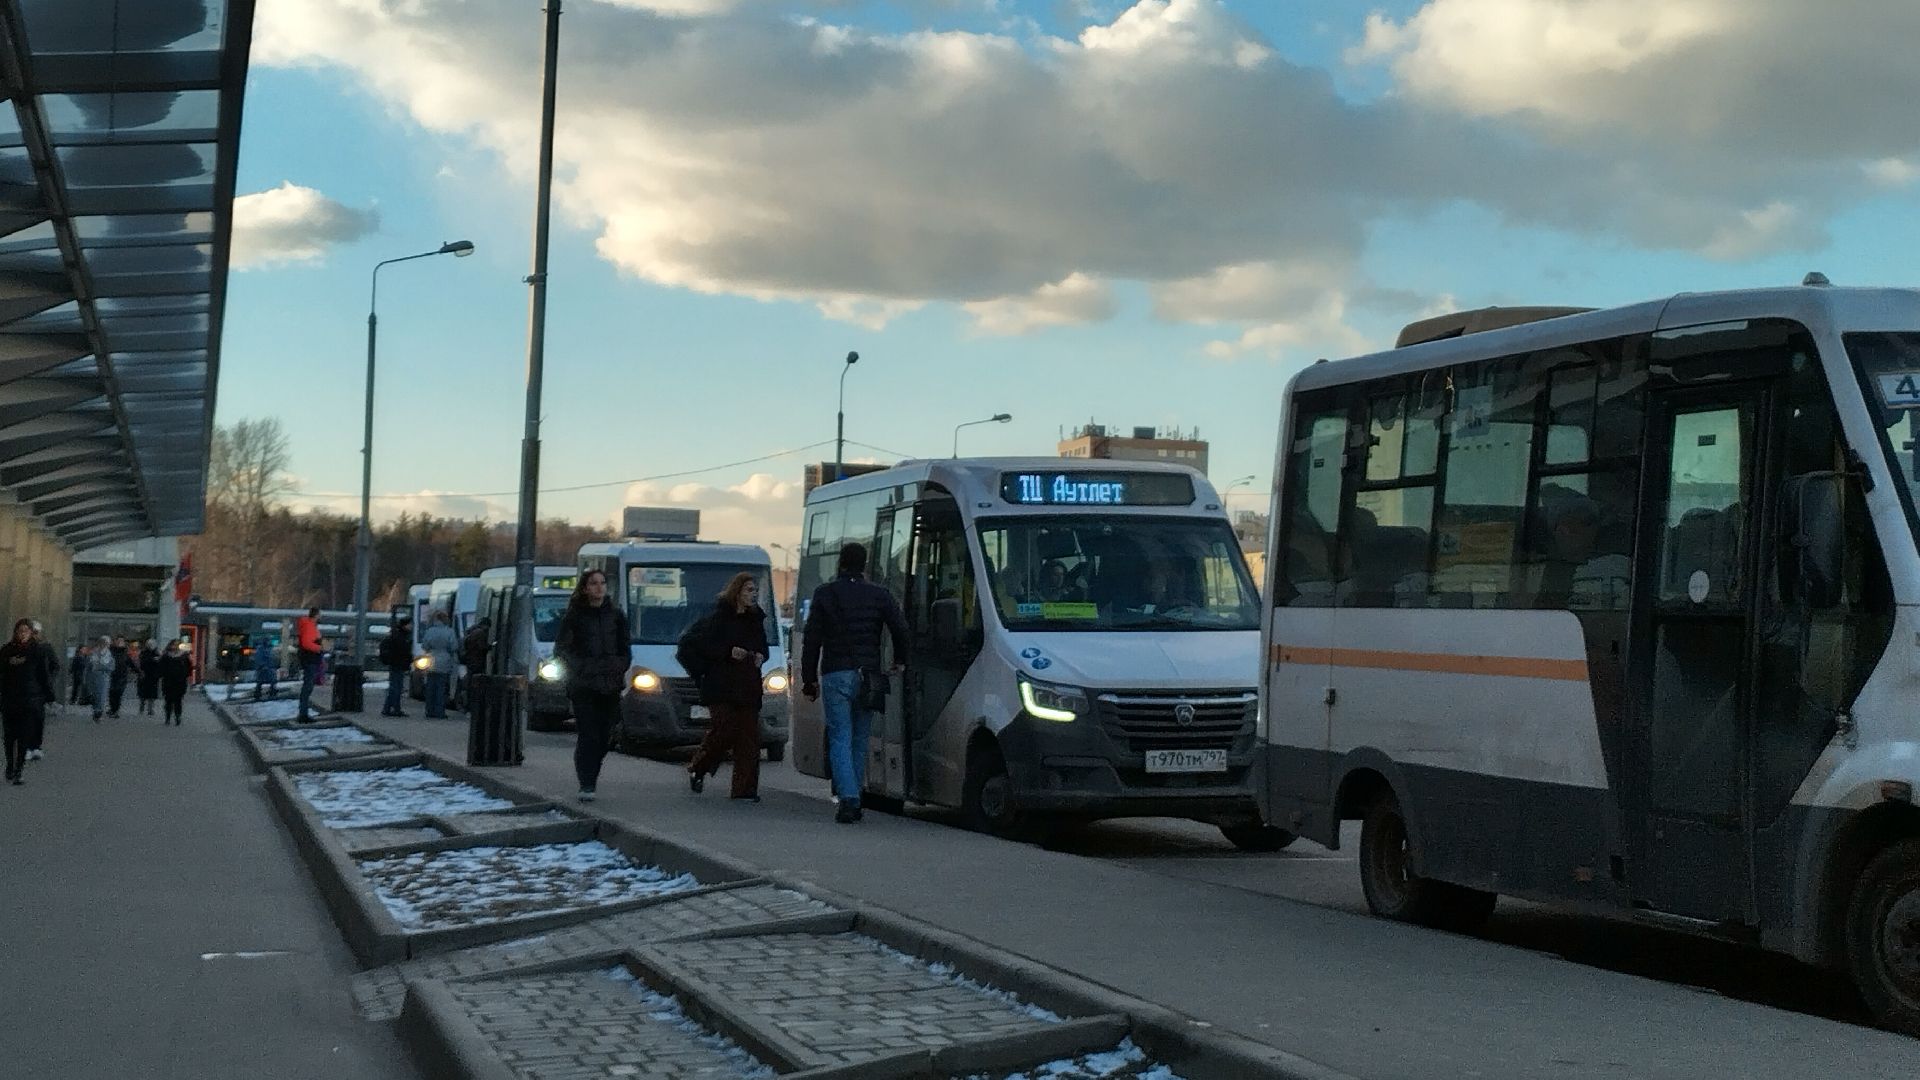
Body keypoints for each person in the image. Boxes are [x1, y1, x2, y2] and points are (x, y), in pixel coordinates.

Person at [801, 542, 909, 824]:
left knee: (839, 737)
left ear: (840, 563)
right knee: (860, 738)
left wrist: (808, 679)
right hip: (868, 676)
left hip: (835, 673)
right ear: (865, 564)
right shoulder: (879, 594)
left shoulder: (825, 594)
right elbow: (900, 627)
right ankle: (855, 794)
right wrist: (900, 660)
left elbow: (811, 639)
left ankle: (848, 799)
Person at [685, 572, 770, 802]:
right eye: (748, 590)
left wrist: (761, 655)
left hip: (747, 685)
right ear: (737, 592)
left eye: (755, 591)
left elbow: (763, 646)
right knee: (724, 729)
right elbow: (703, 647)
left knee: (749, 739)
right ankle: (698, 767)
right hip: (721, 685)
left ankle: (744, 790)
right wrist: (728, 652)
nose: (753, 595)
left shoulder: (756, 620)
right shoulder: (719, 617)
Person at [553, 569, 628, 802]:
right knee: (589, 734)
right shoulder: (574, 616)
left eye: (602, 583)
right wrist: (581, 668)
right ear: (585, 588)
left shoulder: (616, 616)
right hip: (584, 686)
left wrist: (618, 665)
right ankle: (587, 782)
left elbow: (625, 648)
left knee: (606, 734)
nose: (599, 587)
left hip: (610, 684)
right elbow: (562, 650)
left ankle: (591, 770)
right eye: (594, 583)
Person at [1, 619, 54, 784]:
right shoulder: (6, 651)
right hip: (9, 699)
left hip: (30, 699)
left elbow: (44, 675)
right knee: (10, 737)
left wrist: (49, 696)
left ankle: (19, 770)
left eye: (26, 631)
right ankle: (10, 765)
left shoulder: (37, 651)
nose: (22, 634)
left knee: (24, 737)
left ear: (31, 633)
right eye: (20, 631)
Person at [419, 611, 459, 720]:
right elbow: (454, 646)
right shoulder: (449, 631)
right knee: (441, 688)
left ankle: (429, 710)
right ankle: (439, 711)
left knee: (430, 688)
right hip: (444, 661)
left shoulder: (429, 631)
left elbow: (424, 645)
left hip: (431, 660)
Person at [378, 617, 414, 718]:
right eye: (410, 624)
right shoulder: (401, 637)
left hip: (395, 664)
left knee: (394, 687)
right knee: (396, 688)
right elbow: (403, 651)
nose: (411, 626)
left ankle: (388, 708)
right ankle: (395, 709)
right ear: (405, 625)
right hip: (398, 664)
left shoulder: (397, 635)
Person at [294, 606, 324, 723]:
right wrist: (319, 648)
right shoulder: (310, 626)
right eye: (320, 615)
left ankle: (303, 712)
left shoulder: (308, 625)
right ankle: (303, 714)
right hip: (310, 659)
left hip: (309, 659)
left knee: (308, 686)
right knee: (308, 687)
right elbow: (307, 643)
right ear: (316, 615)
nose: (321, 617)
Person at [460, 617, 492, 710]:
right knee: (476, 683)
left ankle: (468, 704)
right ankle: (473, 705)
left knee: (471, 682)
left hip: (470, 661)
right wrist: (490, 647)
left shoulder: (472, 631)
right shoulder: (480, 633)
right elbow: (481, 646)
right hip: (477, 661)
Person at [159, 639, 192, 726]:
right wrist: (162, 674)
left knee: (178, 700)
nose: (175, 647)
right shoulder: (166, 655)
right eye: (174, 645)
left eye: (177, 645)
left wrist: (185, 675)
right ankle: (168, 717)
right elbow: (161, 667)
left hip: (180, 681)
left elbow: (189, 667)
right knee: (168, 700)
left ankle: (178, 716)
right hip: (168, 681)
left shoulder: (184, 656)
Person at [85, 636, 112, 722]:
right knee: (95, 695)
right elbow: (90, 665)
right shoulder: (94, 653)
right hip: (94, 677)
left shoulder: (108, 653)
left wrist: (103, 667)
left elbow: (111, 666)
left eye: (107, 643)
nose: (106, 645)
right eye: (105, 643)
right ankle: (96, 711)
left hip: (103, 677)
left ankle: (98, 712)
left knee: (102, 695)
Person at [107, 635, 134, 718]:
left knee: (118, 693)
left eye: (121, 641)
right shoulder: (110, 652)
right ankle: (112, 709)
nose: (120, 643)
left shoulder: (125, 653)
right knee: (112, 693)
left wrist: (139, 672)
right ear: (115, 642)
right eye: (118, 641)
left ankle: (115, 711)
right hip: (112, 676)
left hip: (122, 677)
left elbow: (131, 664)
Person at [137, 638, 161, 716]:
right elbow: (142, 662)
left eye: (152, 644)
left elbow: (161, 663)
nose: (151, 646)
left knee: (152, 694)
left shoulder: (157, 653)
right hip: (144, 675)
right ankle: (142, 708)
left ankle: (151, 709)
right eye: (149, 644)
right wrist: (153, 660)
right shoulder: (143, 653)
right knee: (143, 694)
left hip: (153, 677)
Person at [252, 633, 278, 701]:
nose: (268, 642)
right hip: (262, 668)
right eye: (267, 640)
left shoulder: (269, 649)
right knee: (260, 681)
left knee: (272, 680)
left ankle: (272, 691)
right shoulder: (260, 649)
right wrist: (262, 665)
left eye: (269, 640)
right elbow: (258, 658)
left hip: (269, 667)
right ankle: (257, 693)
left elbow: (271, 658)